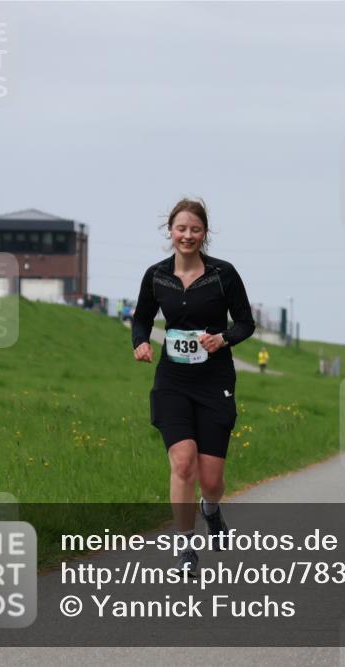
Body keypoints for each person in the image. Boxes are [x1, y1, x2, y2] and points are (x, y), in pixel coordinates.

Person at [132, 198, 255, 574]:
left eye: (195, 229)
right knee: (183, 464)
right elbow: (141, 317)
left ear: (205, 234)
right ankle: (185, 548)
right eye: (181, 228)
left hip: (214, 380)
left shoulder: (223, 274)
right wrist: (140, 341)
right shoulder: (157, 275)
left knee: (211, 479)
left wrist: (224, 339)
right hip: (173, 380)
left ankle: (211, 509)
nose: (187, 235)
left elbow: (245, 323)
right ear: (170, 231)